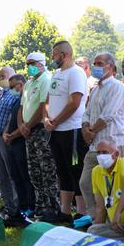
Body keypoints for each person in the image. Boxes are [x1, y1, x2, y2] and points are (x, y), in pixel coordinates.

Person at [45, 42, 89, 222]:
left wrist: (56, 121)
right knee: (62, 170)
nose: (53, 58)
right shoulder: (56, 74)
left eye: (55, 55)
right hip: (55, 130)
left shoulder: (76, 73)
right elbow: (48, 100)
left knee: (76, 169)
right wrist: (47, 119)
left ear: (64, 54)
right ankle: (64, 212)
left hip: (72, 129)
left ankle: (82, 212)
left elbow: (74, 102)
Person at [81, 53, 124, 219]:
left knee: (113, 187)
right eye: (94, 63)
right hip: (94, 146)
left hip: (112, 145)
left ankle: (115, 222)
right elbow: (86, 113)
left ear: (110, 66)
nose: (96, 66)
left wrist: (90, 132)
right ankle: (96, 220)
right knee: (86, 183)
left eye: (99, 63)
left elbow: (108, 116)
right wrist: (86, 129)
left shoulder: (117, 87)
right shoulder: (95, 89)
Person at [18, 52, 61, 223]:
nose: (29, 66)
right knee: (34, 171)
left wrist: (28, 125)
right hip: (28, 132)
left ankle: (53, 208)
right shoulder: (29, 83)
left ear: (42, 63)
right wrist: (21, 125)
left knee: (47, 170)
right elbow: (22, 106)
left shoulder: (46, 80)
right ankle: (41, 207)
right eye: (27, 63)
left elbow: (43, 105)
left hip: (40, 131)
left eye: (32, 63)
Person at [87, 139, 124, 245]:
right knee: (93, 231)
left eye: (105, 152)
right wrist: (97, 229)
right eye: (98, 153)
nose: (101, 156)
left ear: (117, 154)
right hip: (121, 226)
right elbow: (100, 208)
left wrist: (117, 212)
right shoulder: (96, 171)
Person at [0, 72, 27, 226]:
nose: (0, 77)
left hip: (8, 139)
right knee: (2, 176)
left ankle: (18, 209)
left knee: (12, 175)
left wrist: (7, 133)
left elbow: (13, 117)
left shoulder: (16, 97)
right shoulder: (3, 95)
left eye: (3, 75)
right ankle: (9, 209)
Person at [3, 74, 35, 219]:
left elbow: (25, 122)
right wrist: (5, 133)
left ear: (21, 84)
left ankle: (30, 206)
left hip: (20, 142)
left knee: (25, 176)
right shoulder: (17, 101)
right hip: (11, 143)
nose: (11, 90)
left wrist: (13, 135)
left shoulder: (28, 100)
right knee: (15, 176)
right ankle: (21, 206)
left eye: (12, 86)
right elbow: (10, 118)